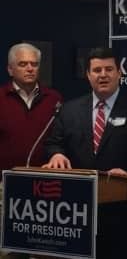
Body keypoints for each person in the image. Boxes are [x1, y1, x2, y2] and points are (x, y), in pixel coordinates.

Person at [43, 48, 127, 259]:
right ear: (88, 75)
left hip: (125, 216)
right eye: (97, 70)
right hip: (76, 217)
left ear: (120, 73)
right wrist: (56, 154)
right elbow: (54, 143)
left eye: (109, 69)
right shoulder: (69, 109)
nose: (103, 75)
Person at [0, 43, 62, 258]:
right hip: (5, 188)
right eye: (23, 64)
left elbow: (62, 139)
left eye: (34, 64)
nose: (29, 68)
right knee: (8, 251)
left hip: (45, 190)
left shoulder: (54, 99)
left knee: (43, 250)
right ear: (10, 69)